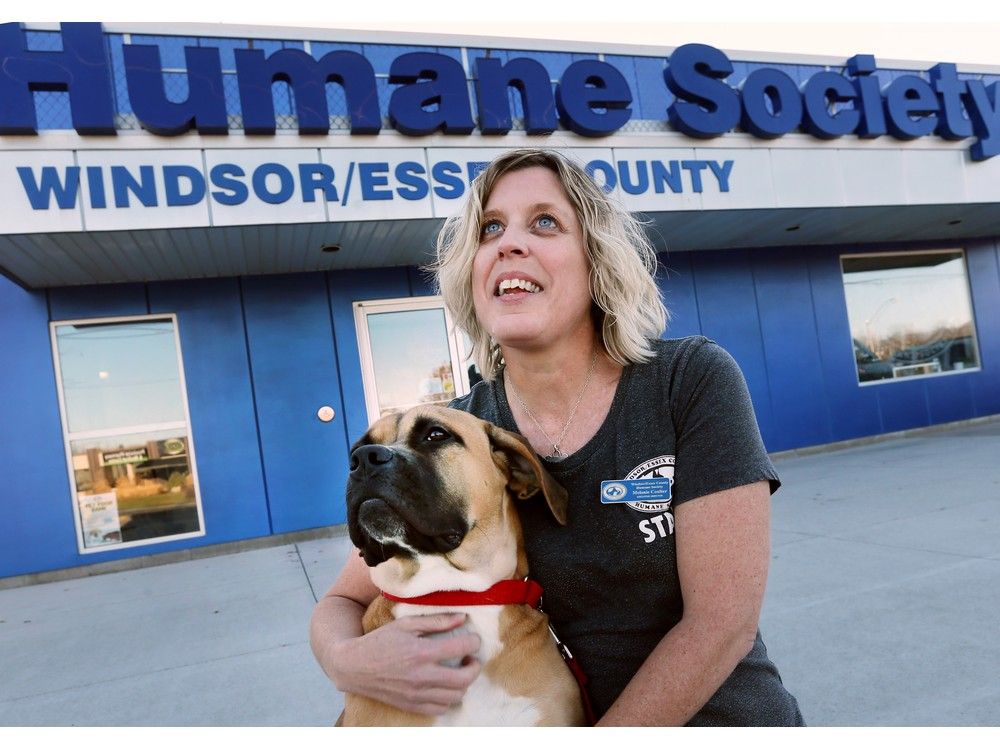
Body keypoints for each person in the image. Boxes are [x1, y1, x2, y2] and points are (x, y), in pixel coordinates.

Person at [309, 147, 804, 726]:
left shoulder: (687, 381)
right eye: (490, 228)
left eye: (545, 222)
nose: (508, 243)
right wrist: (348, 663)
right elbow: (345, 599)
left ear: (597, 260)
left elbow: (722, 627)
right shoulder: (456, 434)